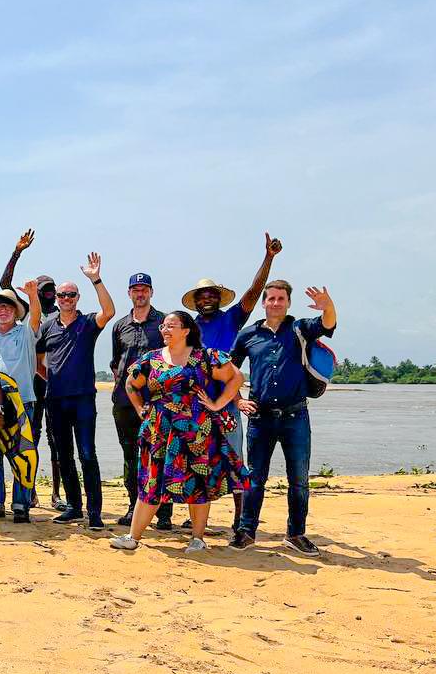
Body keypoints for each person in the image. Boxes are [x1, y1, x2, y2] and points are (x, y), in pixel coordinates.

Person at [110, 311, 248, 553]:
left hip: (196, 429)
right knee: (152, 481)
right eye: (163, 326)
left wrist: (217, 404)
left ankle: (197, 539)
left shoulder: (205, 357)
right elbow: (131, 383)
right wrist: (141, 409)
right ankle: (133, 536)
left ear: (186, 330)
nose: (165, 329)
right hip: (158, 430)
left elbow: (236, 377)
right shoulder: (150, 359)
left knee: (198, 483)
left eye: (171, 325)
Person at [181, 232, 282, 531]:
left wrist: (268, 258)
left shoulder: (232, 319)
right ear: (196, 302)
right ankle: (197, 516)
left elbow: (254, 291)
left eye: (212, 294)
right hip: (196, 405)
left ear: (218, 299)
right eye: (203, 296)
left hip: (227, 403)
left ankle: (241, 520)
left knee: (235, 459)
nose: (207, 298)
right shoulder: (190, 328)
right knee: (196, 458)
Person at [230, 281, 337, 556]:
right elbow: (229, 370)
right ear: (264, 303)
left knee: (299, 480)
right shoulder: (247, 335)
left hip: (295, 415)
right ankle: (246, 532)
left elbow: (327, 324)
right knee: (254, 478)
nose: (275, 303)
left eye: (281, 299)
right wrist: (238, 400)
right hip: (260, 417)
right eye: (271, 298)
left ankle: (296, 534)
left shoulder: (300, 329)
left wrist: (328, 306)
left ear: (288, 303)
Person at [35, 253, 116, 529]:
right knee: (63, 455)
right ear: (56, 298)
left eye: (71, 295)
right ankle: (74, 507)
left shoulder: (88, 323)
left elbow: (110, 312)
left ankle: (94, 513)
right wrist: (50, 377)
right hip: (54, 400)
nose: (66, 299)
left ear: (77, 298)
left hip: (82, 399)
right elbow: (37, 359)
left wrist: (96, 279)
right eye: (62, 295)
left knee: (87, 454)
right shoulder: (48, 326)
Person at [0, 229, 65, 510]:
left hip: (57, 384)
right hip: (33, 383)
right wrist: (17, 252)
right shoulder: (28, 311)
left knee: (57, 439)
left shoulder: (64, 314)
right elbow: (4, 283)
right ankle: (31, 490)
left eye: (50, 288)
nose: (47, 293)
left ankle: (57, 494)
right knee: (31, 438)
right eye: (43, 289)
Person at [108, 272, 171, 531]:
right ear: (129, 293)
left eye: (144, 289)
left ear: (151, 292)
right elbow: (116, 363)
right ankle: (134, 505)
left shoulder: (163, 323)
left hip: (157, 402)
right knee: (130, 456)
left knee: (161, 456)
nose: (140, 293)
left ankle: (164, 513)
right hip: (124, 402)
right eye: (135, 289)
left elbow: (171, 356)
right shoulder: (120, 325)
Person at [0, 280, 42, 522]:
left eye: (8, 306)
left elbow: (35, 317)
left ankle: (20, 505)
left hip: (23, 402)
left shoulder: (26, 332)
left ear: (16, 311)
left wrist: (33, 295)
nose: (3, 310)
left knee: (22, 454)